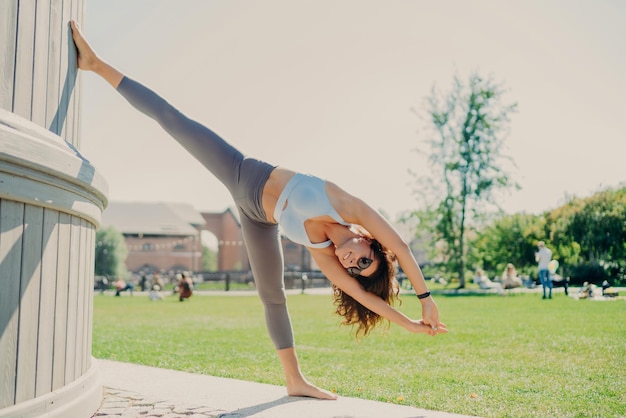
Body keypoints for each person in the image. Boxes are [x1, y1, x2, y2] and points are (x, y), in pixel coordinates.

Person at [70, 20, 446, 400]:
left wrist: (410, 326)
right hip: (243, 173)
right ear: (371, 245)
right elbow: (401, 244)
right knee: (173, 120)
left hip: (257, 219)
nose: (351, 264)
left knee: (273, 295)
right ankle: (96, 64)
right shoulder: (349, 206)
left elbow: (365, 298)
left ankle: (295, 380)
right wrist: (425, 299)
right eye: (363, 262)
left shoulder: (326, 257)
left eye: (354, 269)